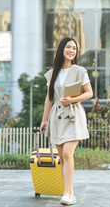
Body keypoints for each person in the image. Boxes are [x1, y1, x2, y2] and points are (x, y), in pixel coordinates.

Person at [40, 37, 93, 205]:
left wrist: (71, 100)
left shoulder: (80, 71)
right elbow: (49, 98)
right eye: (69, 47)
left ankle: (68, 193)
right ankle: (69, 192)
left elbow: (89, 93)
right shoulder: (52, 73)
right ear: (62, 49)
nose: (71, 50)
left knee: (67, 153)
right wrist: (44, 120)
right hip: (57, 116)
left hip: (73, 115)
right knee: (62, 157)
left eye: (74, 48)